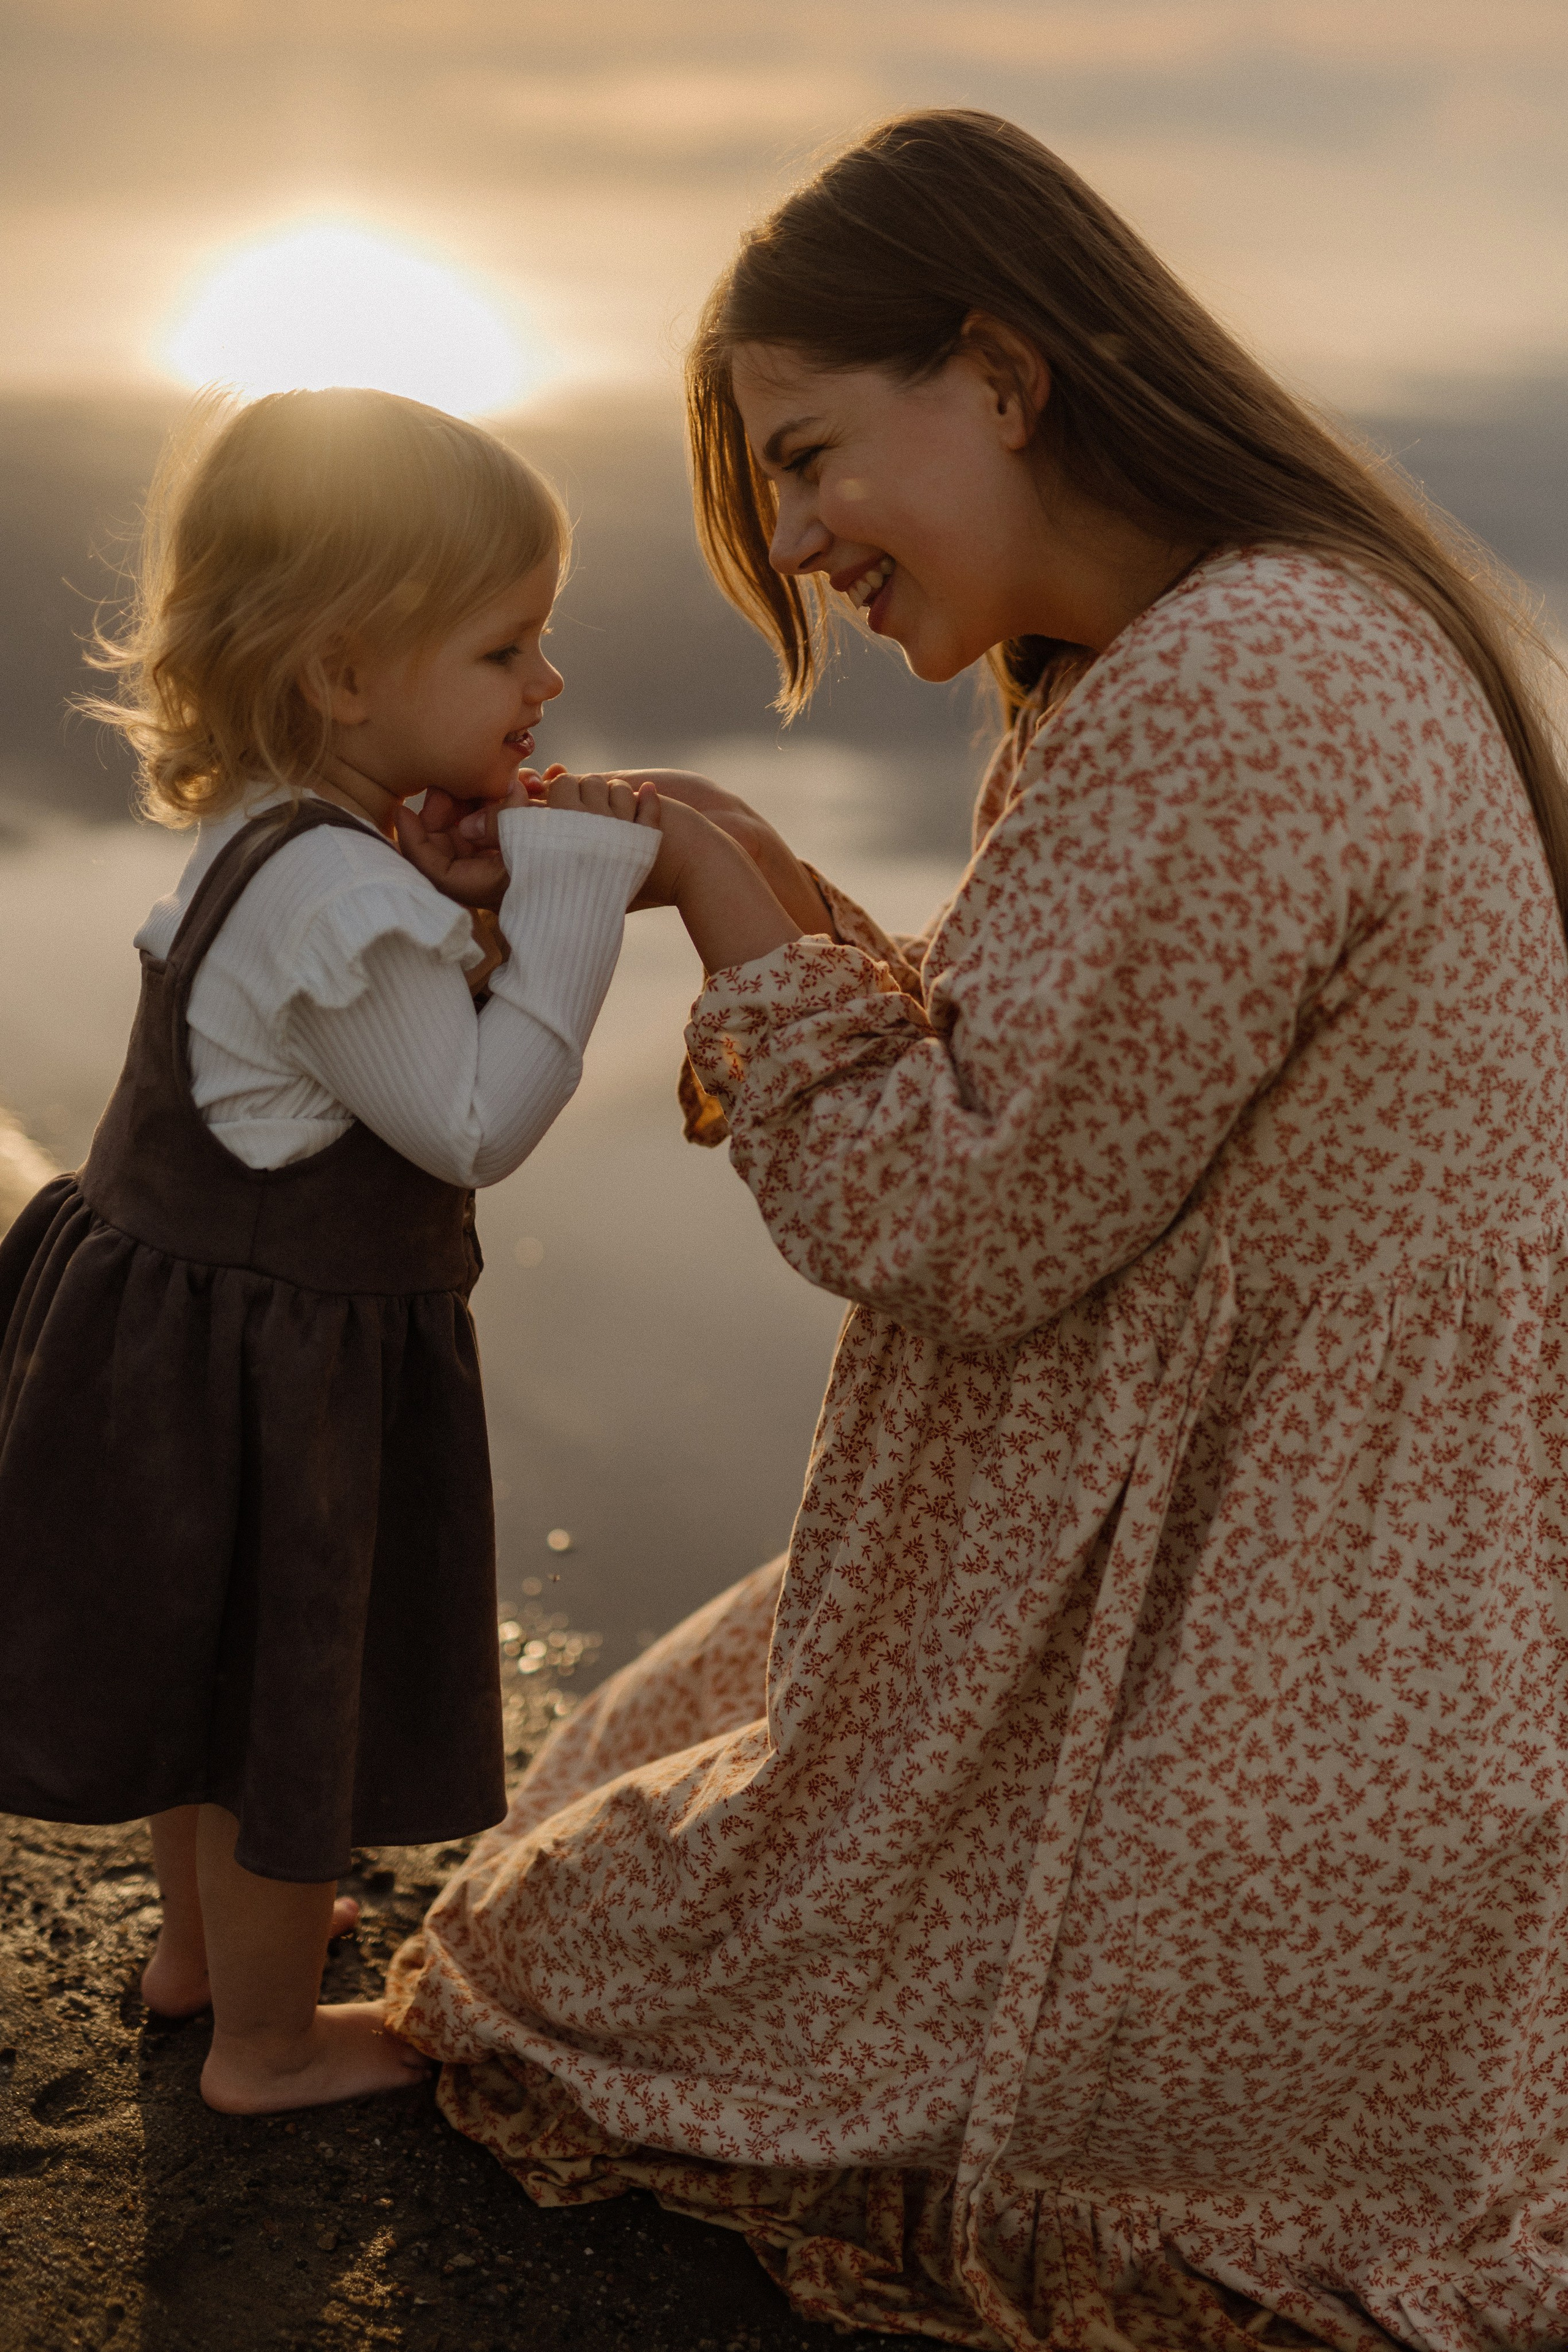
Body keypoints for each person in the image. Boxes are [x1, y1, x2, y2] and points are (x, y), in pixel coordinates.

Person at [383, 110, 1568, 2352]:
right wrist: (713, 842)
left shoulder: (1248, 685)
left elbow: (954, 1217)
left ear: (1005, 375)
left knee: (547, 1967)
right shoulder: (1226, 648)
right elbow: (1043, 1077)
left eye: (815, 455)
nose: (804, 534)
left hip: (1277, 1663)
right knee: (609, 1785)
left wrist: (725, 901)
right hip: (1328, 1583)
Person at [0, 386, 668, 2115]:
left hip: (162, 1340)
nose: (550, 687)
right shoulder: (343, 902)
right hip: (278, 1374)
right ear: (346, 674)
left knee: (203, 1679)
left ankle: (205, 1956)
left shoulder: (277, 840)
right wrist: (576, 902)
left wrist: (449, 899)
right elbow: (469, 1124)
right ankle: (273, 2045)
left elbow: (329, 1041)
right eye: (509, 647)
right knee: (289, 1699)